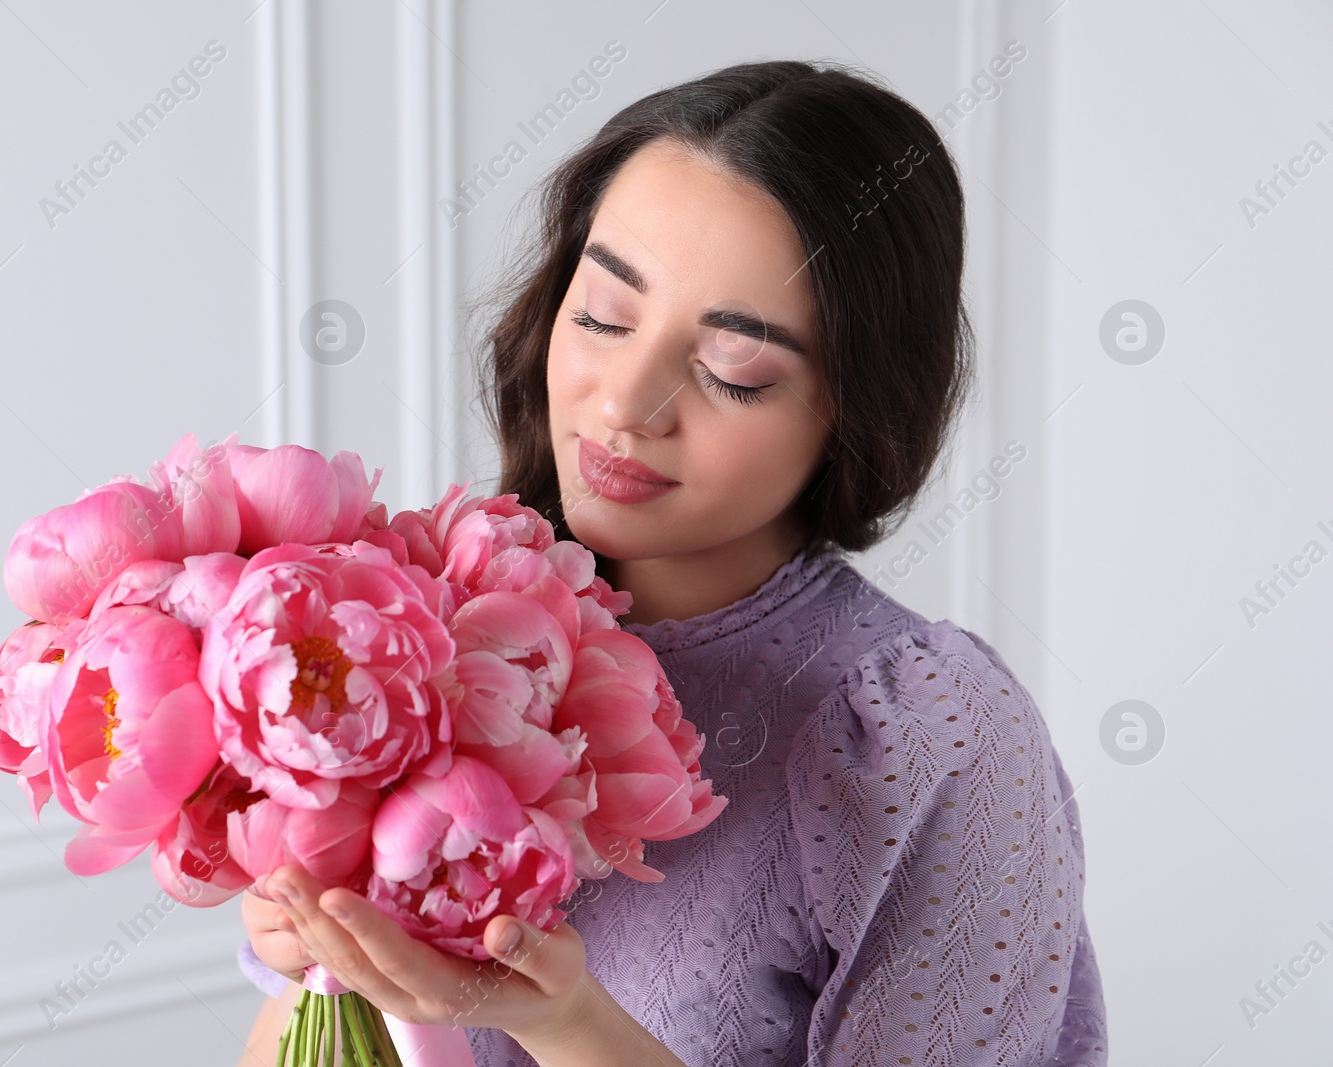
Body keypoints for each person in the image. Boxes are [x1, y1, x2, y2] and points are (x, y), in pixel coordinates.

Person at [235, 59, 1109, 1066]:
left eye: (732, 370)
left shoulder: (923, 732)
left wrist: (563, 1021)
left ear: (858, 409)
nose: (626, 402)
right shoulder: (411, 643)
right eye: (603, 314)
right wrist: (320, 958)